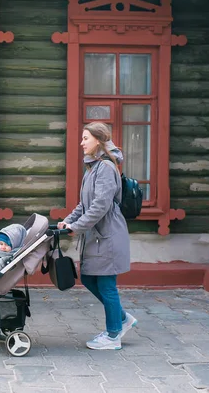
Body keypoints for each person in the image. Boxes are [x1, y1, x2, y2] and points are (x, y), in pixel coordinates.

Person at [57, 122, 137, 350]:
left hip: (109, 235)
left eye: (85, 138)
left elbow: (100, 205)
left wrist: (77, 227)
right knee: (89, 278)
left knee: (106, 284)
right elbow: (84, 204)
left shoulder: (106, 168)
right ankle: (122, 319)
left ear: (99, 141)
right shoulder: (92, 168)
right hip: (97, 236)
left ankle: (113, 336)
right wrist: (69, 221)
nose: (81, 143)